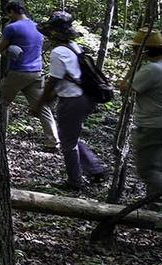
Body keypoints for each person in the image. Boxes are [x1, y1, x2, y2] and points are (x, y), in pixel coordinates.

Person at [30, 12, 107, 191]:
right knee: (70, 136)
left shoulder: (58, 52)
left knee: (68, 142)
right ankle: (95, 169)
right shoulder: (74, 47)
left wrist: (39, 104)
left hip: (73, 100)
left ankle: (75, 182)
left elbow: (53, 82)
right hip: (85, 98)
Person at [0, 0, 59, 150]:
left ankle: (0, 137)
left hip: (19, 72)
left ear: (12, 12)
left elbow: (0, 48)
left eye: (8, 13)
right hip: (36, 72)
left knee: (1, 102)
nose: (8, 16)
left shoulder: (11, 28)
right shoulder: (37, 26)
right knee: (42, 107)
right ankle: (53, 142)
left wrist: (6, 51)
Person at [124, 28, 162, 201]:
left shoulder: (152, 70)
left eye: (136, 48)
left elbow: (125, 89)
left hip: (151, 125)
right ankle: (153, 204)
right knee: (158, 167)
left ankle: (159, 205)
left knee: (148, 170)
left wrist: (134, 64)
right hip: (159, 123)